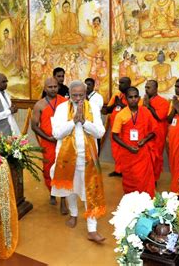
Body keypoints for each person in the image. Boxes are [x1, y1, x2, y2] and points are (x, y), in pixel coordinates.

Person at [51, 80, 106, 243]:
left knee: (91, 192)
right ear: (69, 94)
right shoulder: (61, 109)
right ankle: (74, 214)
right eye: (74, 95)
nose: (77, 98)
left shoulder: (93, 108)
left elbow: (100, 133)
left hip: (88, 158)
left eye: (81, 95)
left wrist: (84, 122)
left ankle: (92, 229)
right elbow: (57, 133)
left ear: (86, 94)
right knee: (71, 189)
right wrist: (73, 121)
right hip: (67, 159)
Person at [31, 77, 68, 213]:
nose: (53, 89)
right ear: (45, 88)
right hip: (48, 142)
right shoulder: (39, 105)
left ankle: (63, 201)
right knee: (48, 170)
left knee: (63, 169)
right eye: (50, 87)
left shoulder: (65, 103)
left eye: (55, 86)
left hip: (63, 141)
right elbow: (34, 126)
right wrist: (47, 137)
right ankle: (52, 192)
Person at [112, 87, 156, 196]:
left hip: (142, 153)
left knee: (144, 180)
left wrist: (144, 140)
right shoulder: (121, 115)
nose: (133, 99)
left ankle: (146, 203)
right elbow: (114, 136)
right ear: (126, 99)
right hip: (128, 154)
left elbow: (154, 131)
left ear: (139, 98)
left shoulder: (145, 111)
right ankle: (132, 203)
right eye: (130, 97)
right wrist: (128, 147)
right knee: (130, 181)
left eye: (136, 96)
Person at [143, 80, 170, 182]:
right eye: (145, 87)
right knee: (145, 157)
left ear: (156, 89)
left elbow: (159, 117)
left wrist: (148, 106)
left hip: (158, 134)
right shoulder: (143, 100)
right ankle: (146, 177)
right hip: (145, 134)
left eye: (148, 88)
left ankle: (154, 179)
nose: (146, 90)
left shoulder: (163, 102)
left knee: (156, 157)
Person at [106, 77, 131, 177]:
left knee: (124, 151)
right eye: (119, 83)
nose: (120, 85)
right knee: (115, 150)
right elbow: (108, 109)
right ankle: (118, 170)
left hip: (125, 129)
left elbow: (135, 110)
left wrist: (120, 104)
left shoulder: (131, 96)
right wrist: (114, 105)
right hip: (115, 129)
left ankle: (125, 171)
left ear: (129, 84)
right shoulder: (117, 95)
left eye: (122, 83)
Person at [85, 77, 104, 155]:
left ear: (93, 86)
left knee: (95, 143)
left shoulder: (98, 97)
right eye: (85, 84)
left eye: (89, 84)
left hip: (94, 123)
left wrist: (87, 101)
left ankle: (96, 161)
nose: (87, 86)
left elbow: (96, 109)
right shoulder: (82, 96)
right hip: (84, 123)